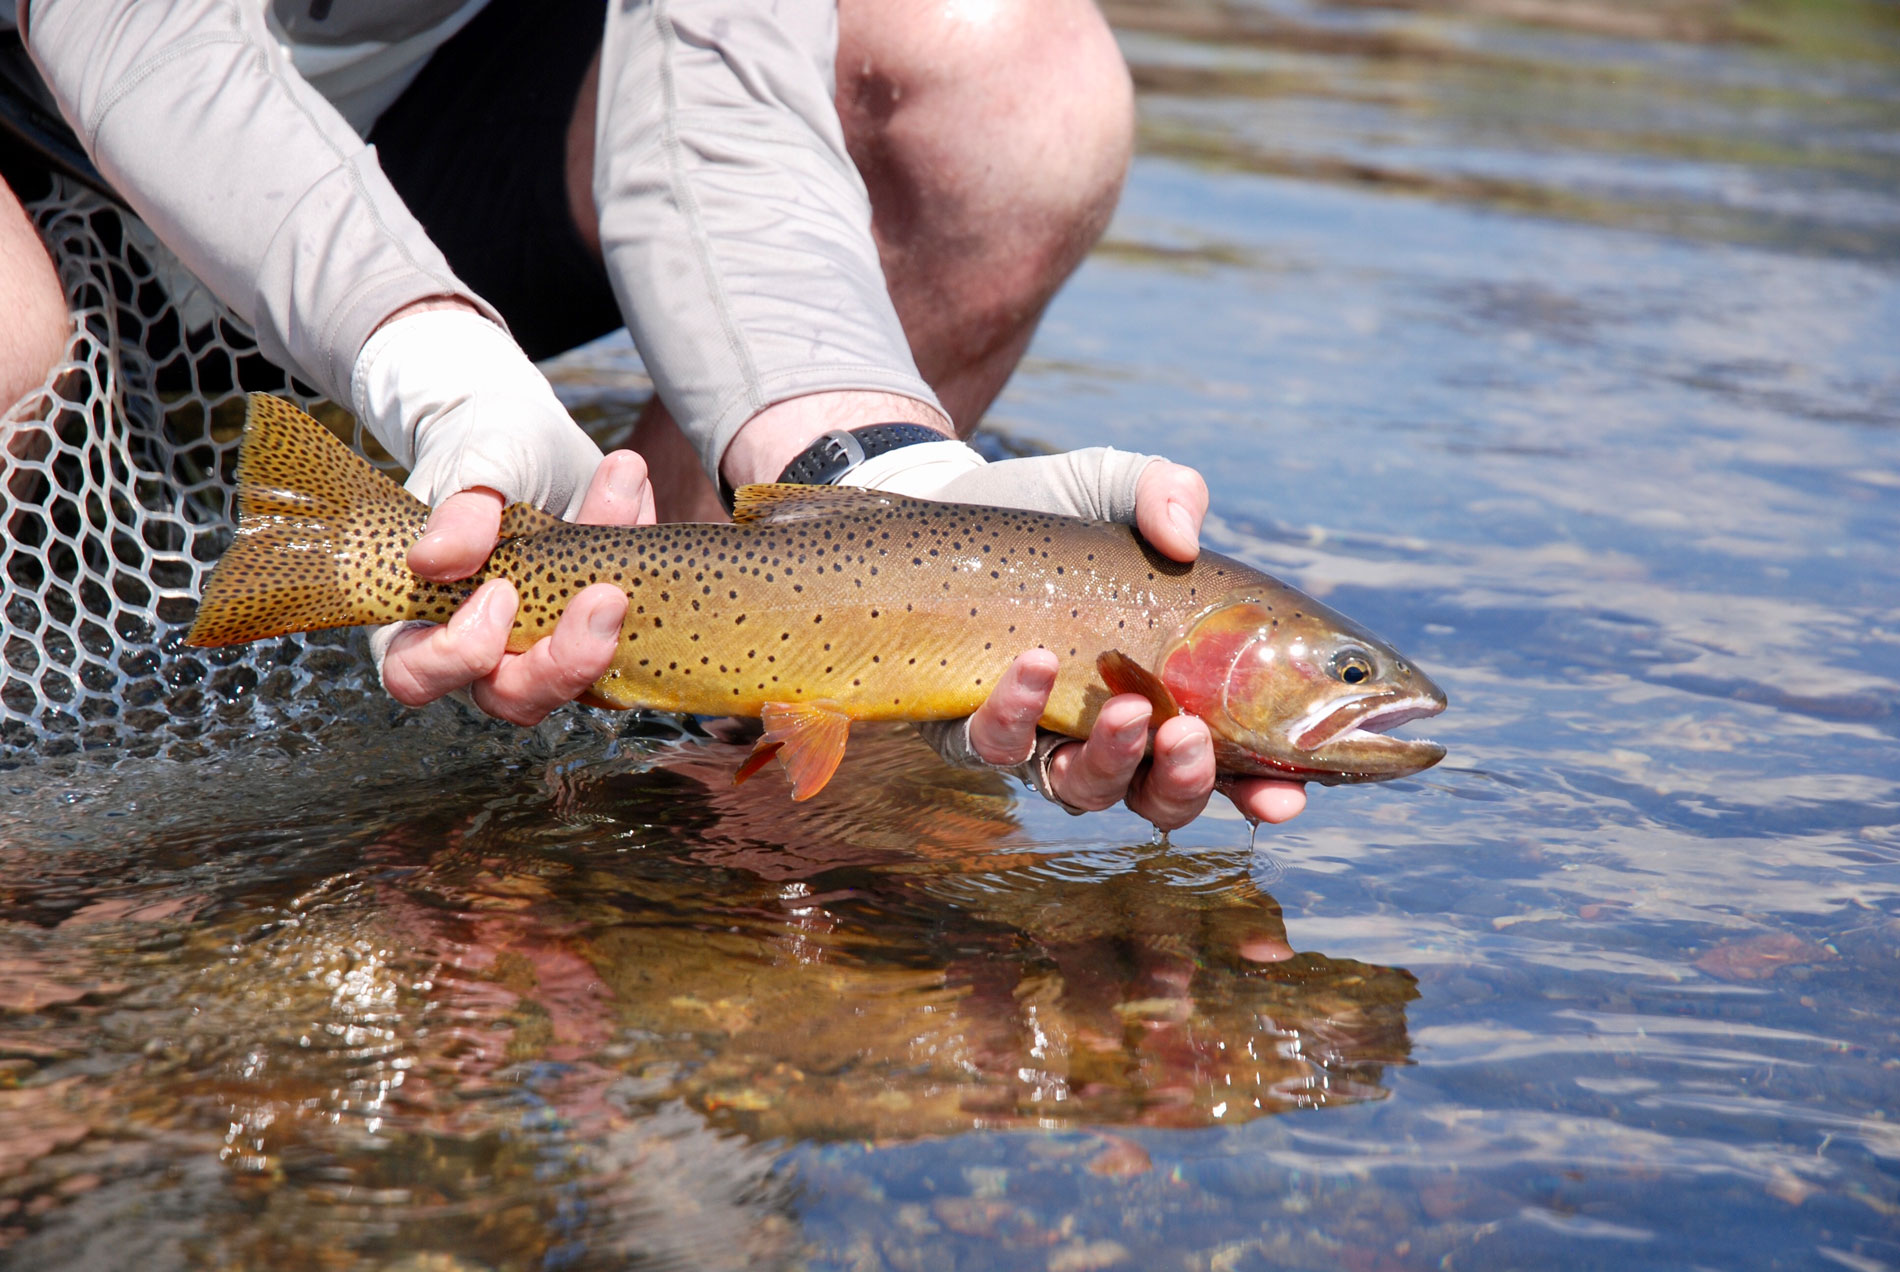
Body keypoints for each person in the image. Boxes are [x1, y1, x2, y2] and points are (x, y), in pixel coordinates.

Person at [0, 0, 1305, 831]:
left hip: (437, 131)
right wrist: (440, 370)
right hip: (55, 119)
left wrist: (865, 457)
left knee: (1011, 82)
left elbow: (723, 60)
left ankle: (677, 777)